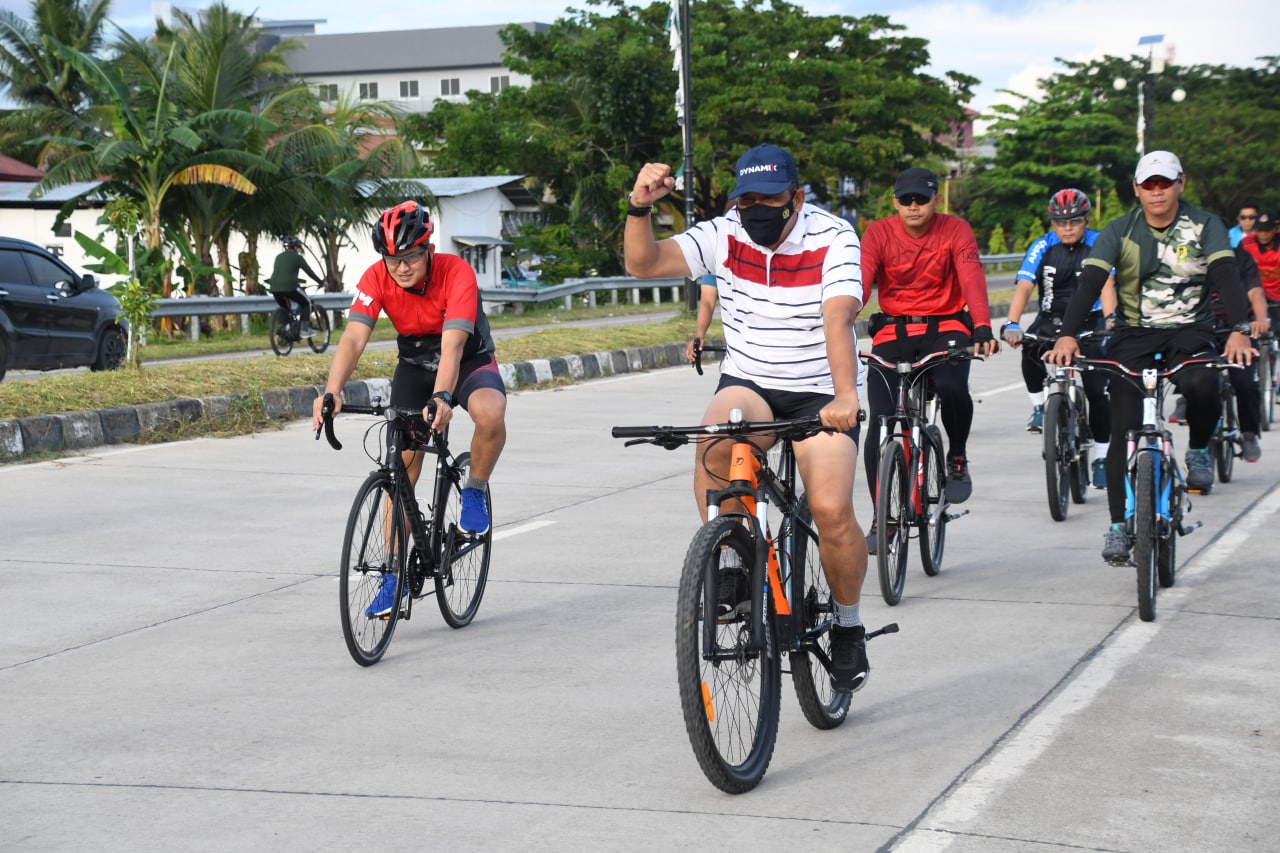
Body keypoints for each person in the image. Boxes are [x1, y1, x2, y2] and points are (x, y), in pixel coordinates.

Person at [623, 143, 871, 694]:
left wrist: (845, 395)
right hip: (750, 381)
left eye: (771, 198)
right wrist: (639, 206)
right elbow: (643, 262)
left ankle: (849, 625)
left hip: (819, 390)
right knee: (716, 442)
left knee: (830, 509)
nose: (757, 208)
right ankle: (733, 558)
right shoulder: (723, 232)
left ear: (797, 197)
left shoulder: (834, 236)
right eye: (748, 198)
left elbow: (838, 319)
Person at [1046, 151, 1253, 564]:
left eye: (1165, 182)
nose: (1156, 191)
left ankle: (1197, 449)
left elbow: (1227, 275)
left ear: (1181, 183)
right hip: (1133, 334)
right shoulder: (1120, 230)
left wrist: (1239, 329)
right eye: (1148, 184)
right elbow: (1091, 282)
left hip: (1191, 329)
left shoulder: (1205, 225)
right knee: (1123, 428)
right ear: (1136, 189)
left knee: (1203, 381)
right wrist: (1067, 334)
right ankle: (1118, 527)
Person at [311, 200, 508, 616]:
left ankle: (473, 489)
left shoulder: (457, 273)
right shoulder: (376, 277)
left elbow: (453, 346)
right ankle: (394, 575)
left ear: (429, 249)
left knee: (490, 412)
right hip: (416, 363)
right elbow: (353, 339)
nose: (401, 267)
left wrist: (442, 397)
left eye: (411, 257)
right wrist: (332, 391)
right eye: (392, 259)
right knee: (402, 466)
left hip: (466, 356)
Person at [859, 165, 1000, 544]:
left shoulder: (956, 230)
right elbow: (861, 280)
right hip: (893, 328)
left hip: (948, 326)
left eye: (922, 199)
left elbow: (971, 276)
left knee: (954, 387)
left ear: (935, 199)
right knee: (880, 422)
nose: (914, 207)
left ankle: (956, 456)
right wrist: (839, 320)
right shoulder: (878, 233)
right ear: (895, 202)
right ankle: (881, 518)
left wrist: (982, 326)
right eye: (906, 200)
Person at [1003, 188, 1116, 488]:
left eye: (1074, 221)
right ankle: (1040, 407)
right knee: (1029, 349)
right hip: (1051, 320)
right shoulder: (1042, 246)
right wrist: (1012, 322)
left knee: (1096, 389)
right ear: (1052, 222)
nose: (1067, 227)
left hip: (1090, 321)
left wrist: (1111, 319)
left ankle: (1103, 456)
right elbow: (1025, 286)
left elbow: (1107, 285)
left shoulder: (1099, 243)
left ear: (1086, 220)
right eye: (1059, 222)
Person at [266, 236, 323, 336]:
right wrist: (321, 282)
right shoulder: (298, 258)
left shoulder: (278, 257)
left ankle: (283, 329)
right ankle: (305, 330)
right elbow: (309, 272)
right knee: (306, 303)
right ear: (296, 248)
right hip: (290, 287)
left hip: (274, 288)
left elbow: (282, 273)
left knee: (285, 309)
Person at [1240, 209, 1280, 324]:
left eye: (1267, 230)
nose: (1263, 234)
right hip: (1256, 298)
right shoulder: (1246, 245)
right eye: (1259, 230)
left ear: (1276, 229)